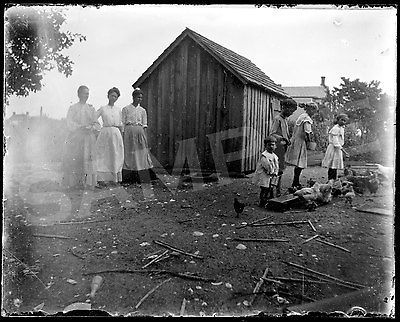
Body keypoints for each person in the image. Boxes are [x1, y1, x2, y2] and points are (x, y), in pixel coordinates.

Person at [62, 85, 100, 189]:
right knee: (76, 158)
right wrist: (79, 127)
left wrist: (91, 127)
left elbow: (96, 123)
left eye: (88, 94)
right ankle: (74, 182)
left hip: (88, 138)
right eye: (84, 93)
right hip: (76, 137)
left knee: (87, 158)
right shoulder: (73, 108)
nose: (86, 96)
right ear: (79, 94)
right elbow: (69, 122)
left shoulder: (91, 108)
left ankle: (86, 182)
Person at [121, 88, 154, 184]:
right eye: (138, 97)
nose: (139, 99)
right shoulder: (126, 109)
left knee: (140, 153)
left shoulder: (142, 110)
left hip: (139, 132)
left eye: (141, 98)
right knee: (129, 153)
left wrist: (145, 137)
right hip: (129, 132)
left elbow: (144, 125)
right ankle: (128, 176)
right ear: (133, 97)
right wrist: (123, 135)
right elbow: (123, 123)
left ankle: (141, 176)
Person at [94, 87, 124, 187]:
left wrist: (120, 131)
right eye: (112, 95)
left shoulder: (118, 110)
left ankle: (114, 179)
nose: (113, 98)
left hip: (115, 133)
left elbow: (121, 123)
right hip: (105, 133)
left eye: (115, 96)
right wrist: (98, 128)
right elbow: (94, 117)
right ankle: (102, 179)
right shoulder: (103, 108)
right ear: (108, 96)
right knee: (103, 156)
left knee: (115, 155)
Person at [285, 102, 318, 191]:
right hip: (300, 142)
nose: (314, 113)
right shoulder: (306, 119)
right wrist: (310, 142)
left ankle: (296, 182)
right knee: (300, 163)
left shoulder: (302, 116)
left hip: (296, 140)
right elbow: (308, 132)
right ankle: (295, 183)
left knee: (298, 163)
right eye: (314, 111)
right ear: (310, 110)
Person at [270, 98, 297, 196]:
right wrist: (283, 139)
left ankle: (277, 190)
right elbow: (272, 133)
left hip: (283, 147)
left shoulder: (285, 119)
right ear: (284, 108)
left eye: (292, 112)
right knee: (276, 169)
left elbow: (285, 133)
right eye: (290, 111)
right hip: (277, 147)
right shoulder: (278, 119)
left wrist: (288, 139)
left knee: (281, 169)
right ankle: (272, 191)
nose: (291, 113)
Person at [252, 136, 280, 208]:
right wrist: (271, 172)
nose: (271, 147)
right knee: (264, 189)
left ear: (275, 146)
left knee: (270, 188)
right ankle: (262, 202)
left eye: (273, 145)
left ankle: (270, 201)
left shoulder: (275, 156)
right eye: (269, 145)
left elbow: (276, 165)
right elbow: (267, 166)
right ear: (265, 146)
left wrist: (276, 172)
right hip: (264, 175)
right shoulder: (264, 156)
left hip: (271, 175)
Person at [321, 113, 350, 181]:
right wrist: (344, 151)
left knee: (335, 166)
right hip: (333, 149)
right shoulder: (335, 129)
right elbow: (335, 142)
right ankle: (330, 180)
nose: (343, 122)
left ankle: (333, 180)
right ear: (338, 120)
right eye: (341, 120)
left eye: (344, 121)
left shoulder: (341, 128)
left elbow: (340, 140)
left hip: (338, 149)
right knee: (332, 166)